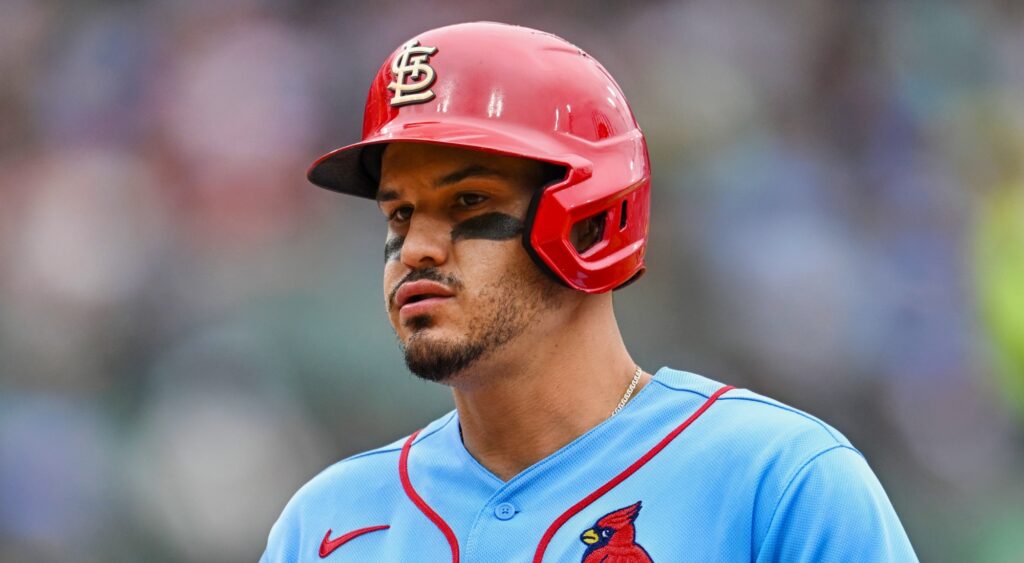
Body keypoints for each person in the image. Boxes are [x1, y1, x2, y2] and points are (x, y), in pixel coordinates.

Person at [261, 22, 917, 562]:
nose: (416, 248)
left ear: (595, 220)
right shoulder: (324, 524)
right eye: (399, 212)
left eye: (468, 200)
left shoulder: (776, 484)